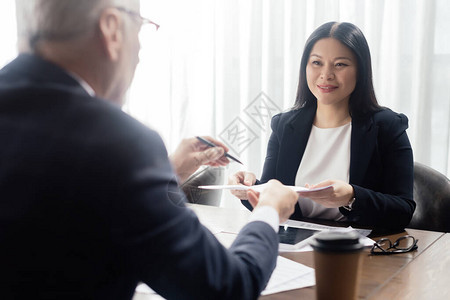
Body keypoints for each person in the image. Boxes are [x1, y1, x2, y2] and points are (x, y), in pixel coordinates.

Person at [0, 1, 299, 299]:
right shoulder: (120, 144)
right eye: (140, 25)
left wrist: (165, 171)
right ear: (111, 28)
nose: (140, 53)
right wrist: (268, 211)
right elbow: (227, 286)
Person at [229, 22, 415, 230]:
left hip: (360, 253)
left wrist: (352, 197)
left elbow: (403, 210)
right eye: (317, 63)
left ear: (360, 70)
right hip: (296, 249)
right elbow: (274, 200)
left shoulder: (388, 127)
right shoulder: (284, 126)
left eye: (340, 64)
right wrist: (249, 189)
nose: (326, 74)